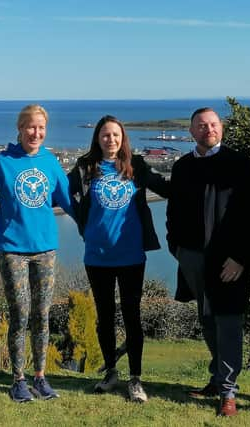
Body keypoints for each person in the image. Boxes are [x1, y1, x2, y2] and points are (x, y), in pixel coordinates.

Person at [0, 104, 72, 403]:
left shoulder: (50, 162)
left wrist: (93, 230)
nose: (35, 133)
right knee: (21, 314)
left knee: (42, 315)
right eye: (30, 126)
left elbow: (69, 202)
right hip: (14, 251)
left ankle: (40, 376)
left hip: (46, 250)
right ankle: (18, 380)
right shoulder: (3, 162)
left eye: (40, 128)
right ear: (20, 129)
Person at [166, 107, 250, 417]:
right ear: (192, 132)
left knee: (228, 322)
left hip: (230, 261)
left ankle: (228, 392)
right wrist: (177, 248)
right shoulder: (182, 167)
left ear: (221, 128)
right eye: (201, 125)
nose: (209, 129)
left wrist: (241, 258)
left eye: (213, 124)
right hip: (192, 256)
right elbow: (173, 211)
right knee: (207, 319)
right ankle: (218, 378)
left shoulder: (240, 165)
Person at [68, 115, 169, 403]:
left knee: (132, 316)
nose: (110, 140)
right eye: (105, 135)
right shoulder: (86, 167)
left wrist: (199, 184)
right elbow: (63, 193)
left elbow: (164, 187)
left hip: (131, 255)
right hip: (97, 256)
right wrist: (82, 223)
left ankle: (135, 378)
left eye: (115, 135)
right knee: (105, 317)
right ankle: (111, 372)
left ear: (122, 138)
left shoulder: (135, 165)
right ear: (97, 139)